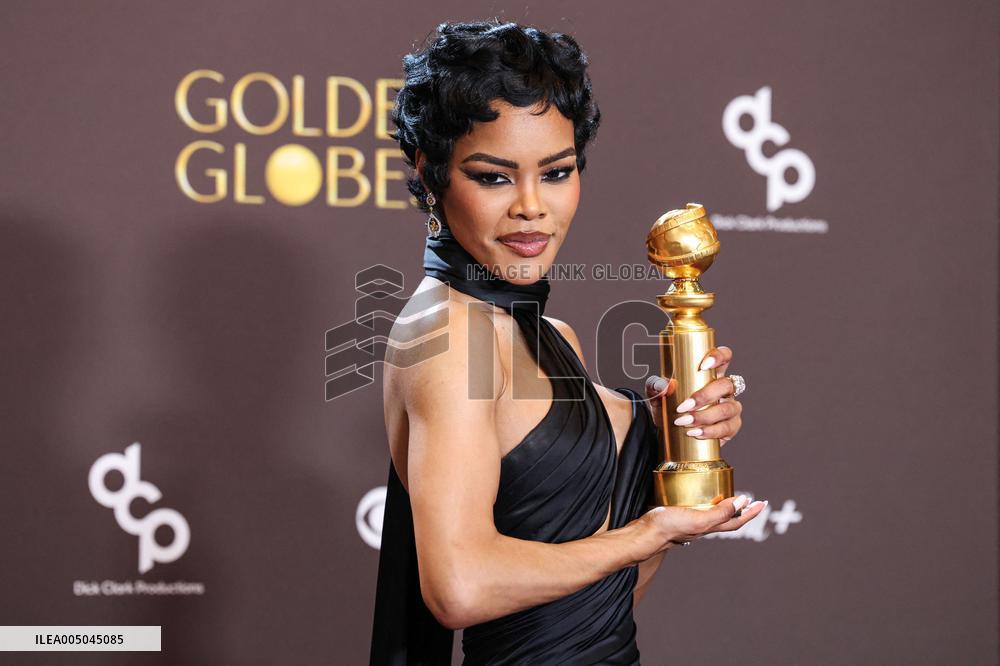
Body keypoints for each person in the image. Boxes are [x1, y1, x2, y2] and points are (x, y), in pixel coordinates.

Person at [370, 19, 764, 665]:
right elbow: (460, 589)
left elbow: (592, 614)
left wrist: (675, 451)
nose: (532, 206)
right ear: (431, 175)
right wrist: (644, 533)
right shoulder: (448, 333)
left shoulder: (554, 337)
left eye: (556, 172)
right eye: (494, 177)